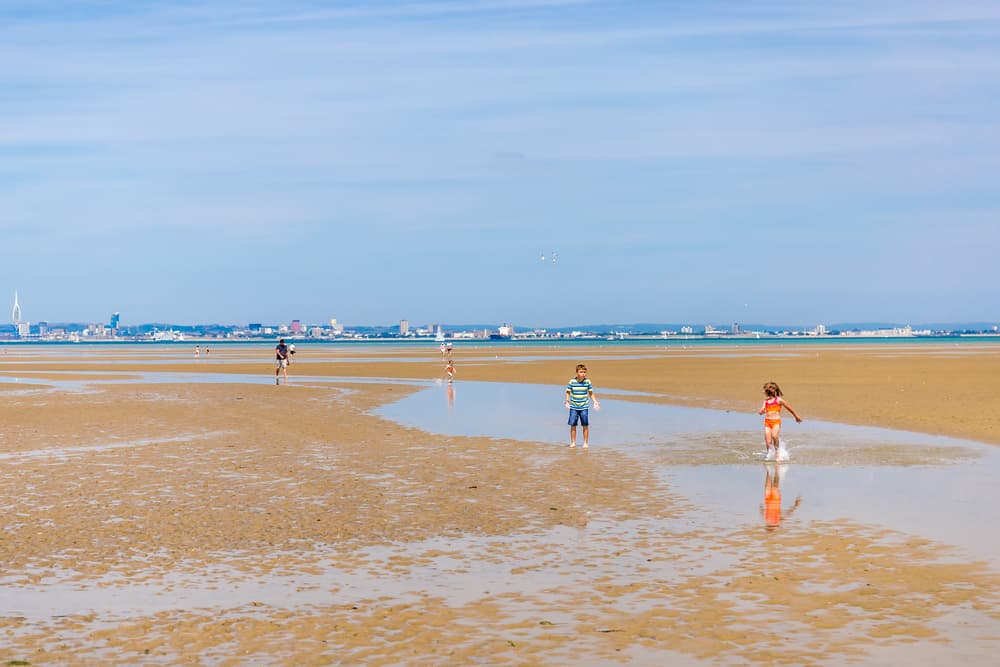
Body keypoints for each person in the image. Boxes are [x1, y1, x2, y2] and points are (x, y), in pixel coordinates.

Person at [758, 381, 802, 461]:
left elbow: (789, 408)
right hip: (767, 422)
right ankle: (769, 455)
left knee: (774, 436)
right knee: (768, 441)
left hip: (776, 422)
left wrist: (796, 416)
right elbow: (762, 409)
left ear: (770, 391)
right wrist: (761, 411)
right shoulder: (766, 401)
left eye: (765, 391)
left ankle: (777, 453)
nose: (764, 392)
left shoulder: (779, 400)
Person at [565, 363, 600, 448]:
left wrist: (595, 401)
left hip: (584, 407)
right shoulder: (572, 381)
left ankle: (585, 443)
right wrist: (567, 401)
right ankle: (573, 442)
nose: (583, 373)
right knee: (573, 425)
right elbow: (568, 392)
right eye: (581, 372)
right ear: (577, 373)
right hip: (573, 407)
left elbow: (591, 393)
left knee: (585, 425)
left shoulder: (587, 381)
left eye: (584, 372)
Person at [761, 465, 802, 531]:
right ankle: (775, 464)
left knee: (771, 476)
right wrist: (795, 505)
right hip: (773, 499)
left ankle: (773, 464)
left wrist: (795, 505)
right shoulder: (775, 521)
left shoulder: (771, 521)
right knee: (772, 477)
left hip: (770, 498)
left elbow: (787, 513)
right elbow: (787, 513)